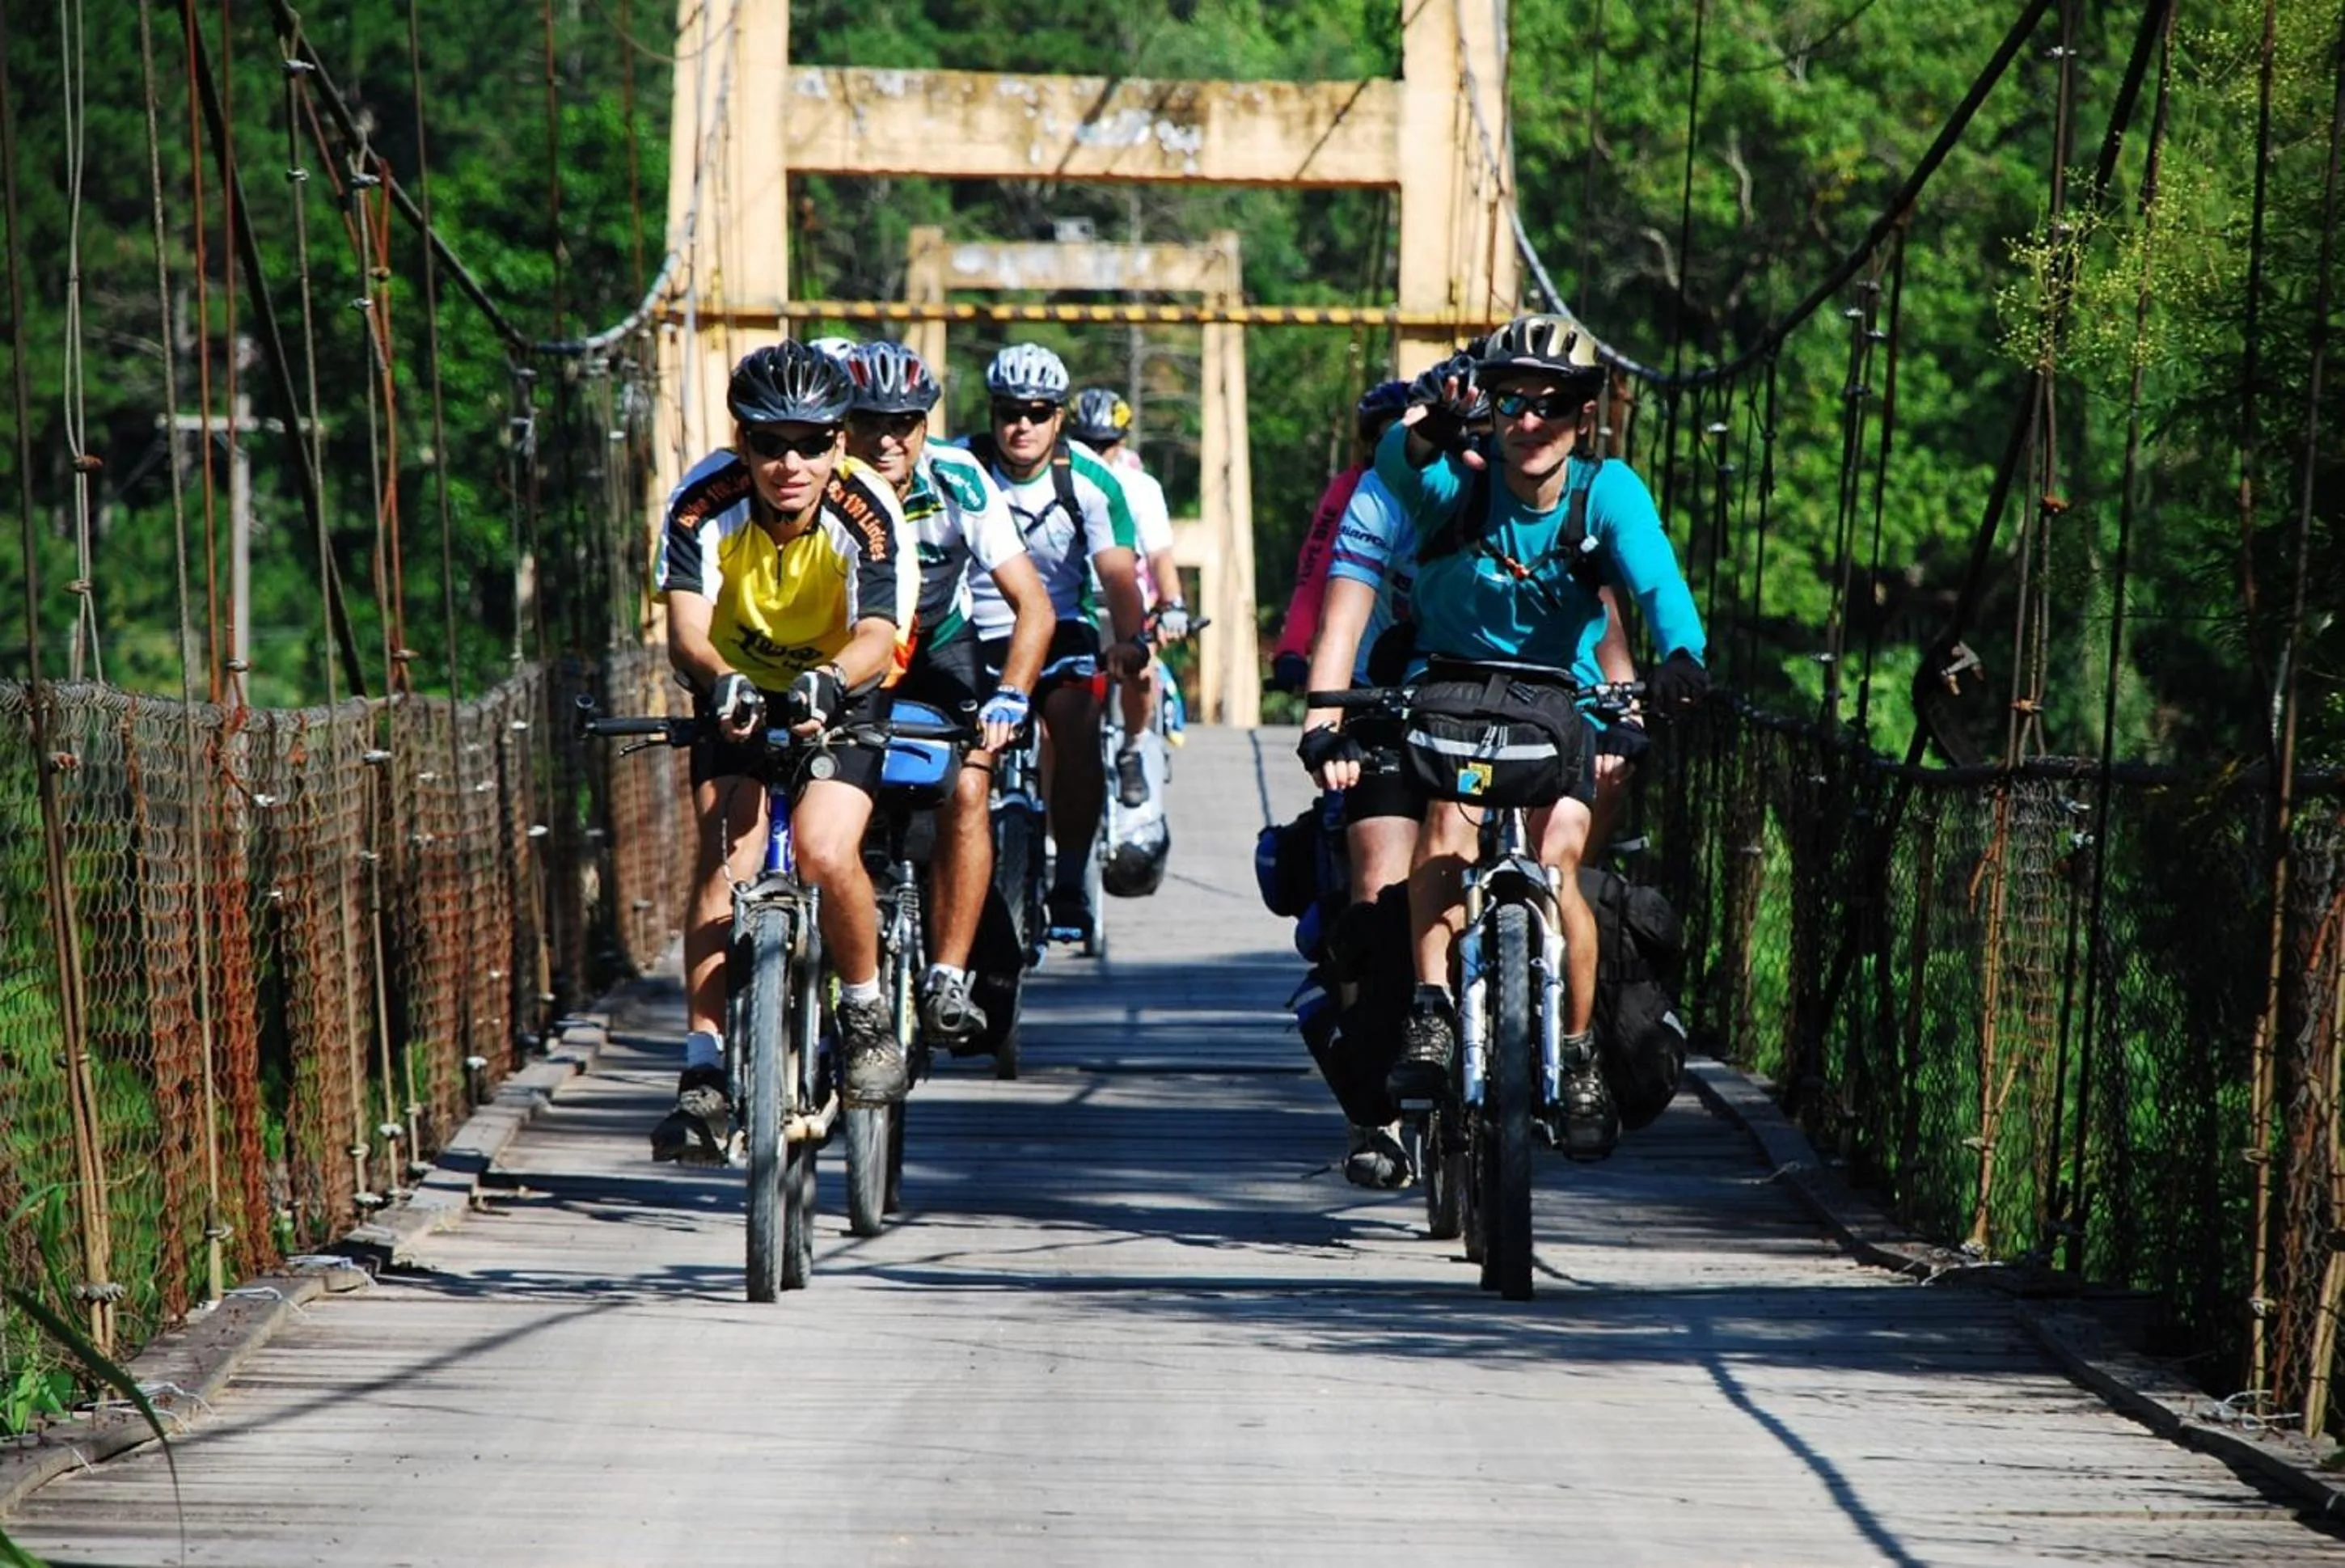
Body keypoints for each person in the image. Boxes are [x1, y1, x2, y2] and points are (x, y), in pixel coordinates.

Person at [1372, 314, 1708, 1158]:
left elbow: (1656, 575)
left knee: (1559, 859)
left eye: (1551, 406)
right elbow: (1398, 467)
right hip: (1447, 680)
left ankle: (1578, 1046)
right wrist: (1431, 431)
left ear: (1582, 417)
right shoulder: (1461, 479)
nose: (1529, 422)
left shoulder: (1607, 491)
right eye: (1512, 402)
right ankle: (1428, 1011)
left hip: (1560, 694)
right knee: (1446, 823)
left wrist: (1679, 655)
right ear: (1489, 408)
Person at [649, 341, 924, 1162]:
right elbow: (686, 627)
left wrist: (830, 680)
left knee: (823, 844)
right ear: (742, 443)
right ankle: (701, 1071)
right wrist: (720, 677)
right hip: (732, 679)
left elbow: (879, 630)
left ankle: (866, 1012)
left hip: (843, 681)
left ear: (840, 444)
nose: (789, 462)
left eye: (811, 441)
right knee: (726, 855)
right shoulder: (702, 499)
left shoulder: (868, 511)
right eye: (769, 442)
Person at [842, 340, 1058, 1040]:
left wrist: (1013, 694)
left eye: (903, 421)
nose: (886, 438)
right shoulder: (826, 484)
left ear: (926, 426)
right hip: (849, 648)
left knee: (969, 786)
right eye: (869, 420)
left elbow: (1034, 604)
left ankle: (948, 978)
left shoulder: (960, 479)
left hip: (938, 646)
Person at [960, 345, 1149, 944]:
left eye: (1038, 412)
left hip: (1062, 622)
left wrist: (1131, 641)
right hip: (974, 624)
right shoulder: (957, 467)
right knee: (964, 747)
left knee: (1075, 718)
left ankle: (1069, 877)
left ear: (1059, 418)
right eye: (1009, 411)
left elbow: (1118, 575)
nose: (1022, 425)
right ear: (991, 414)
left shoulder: (1091, 481)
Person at [1068, 387, 1188, 808]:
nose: (1097, 454)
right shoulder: (1057, 478)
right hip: (1071, 600)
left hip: (1126, 599)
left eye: (1106, 445)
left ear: (1121, 443)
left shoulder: (1140, 488)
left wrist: (1173, 605)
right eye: (1086, 444)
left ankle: (1134, 744)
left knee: (1140, 666)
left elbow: (1159, 554)